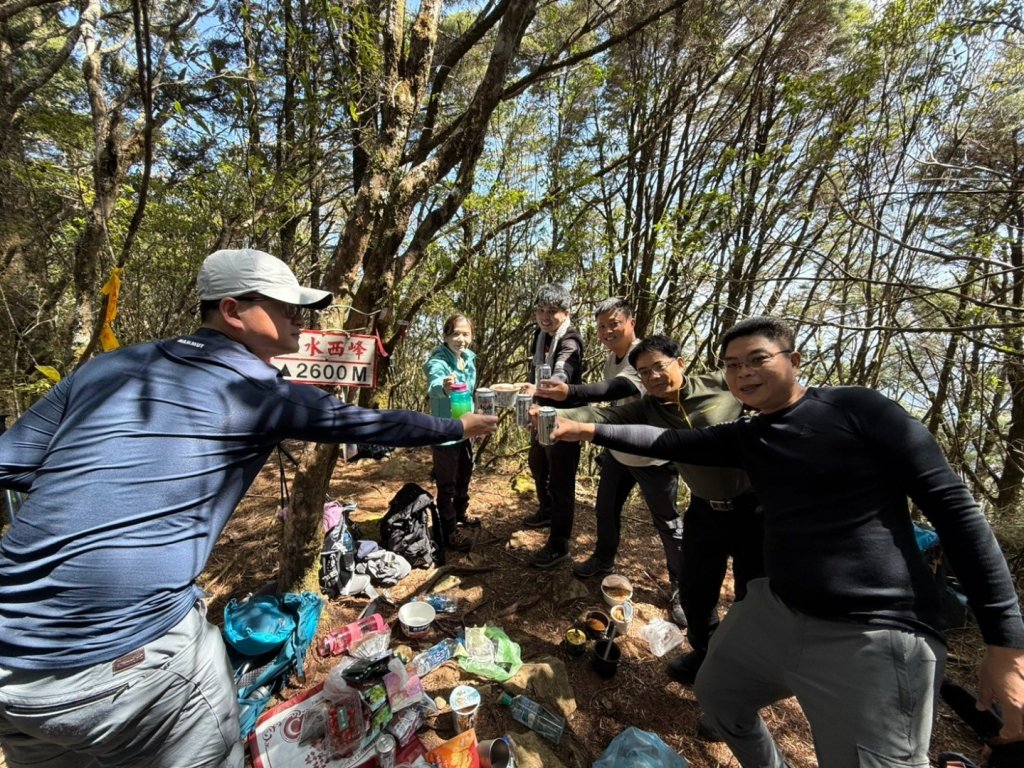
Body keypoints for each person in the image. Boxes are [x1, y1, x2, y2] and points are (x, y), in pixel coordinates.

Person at [0, 248, 498, 768]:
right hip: (135, 658)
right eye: (286, 307)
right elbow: (366, 424)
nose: (298, 319)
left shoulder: (110, 369)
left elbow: (11, 461)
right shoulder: (255, 388)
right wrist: (457, 428)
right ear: (234, 311)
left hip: (12, 663)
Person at [551, 316, 1024, 767]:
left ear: (793, 358)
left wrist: (1006, 641)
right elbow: (664, 442)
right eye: (733, 365)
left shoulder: (858, 409)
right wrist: (583, 427)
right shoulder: (750, 435)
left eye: (756, 359)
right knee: (717, 696)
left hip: (878, 628)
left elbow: (955, 509)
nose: (743, 373)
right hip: (779, 608)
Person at [550, 333, 763, 675]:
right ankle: (704, 653)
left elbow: (767, 401)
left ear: (680, 362)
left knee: (752, 598)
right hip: (705, 509)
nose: (653, 377)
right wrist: (555, 415)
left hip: (753, 509)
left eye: (658, 367)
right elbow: (602, 416)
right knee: (696, 592)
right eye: (644, 373)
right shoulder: (648, 408)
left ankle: (742, 672)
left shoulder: (723, 383)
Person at [537, 302, 686, 626]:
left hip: (653, 458)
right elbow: (613, 403)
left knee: (668, 523)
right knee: (606, 509)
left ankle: (681, 587)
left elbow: (613, 389)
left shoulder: (640, 357)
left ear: (631, 321)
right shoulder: (611, 358)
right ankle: (604, 558)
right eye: (601, 326)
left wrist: (570, 392)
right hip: (619, 454)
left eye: (613, 324)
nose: (606, 332)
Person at [523, 283, 586, 568]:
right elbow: (537, 368)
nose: (545, 317)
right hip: (543, 413)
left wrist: (546, 385)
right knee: (537, 461)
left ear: (566, 313)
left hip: (566, 420)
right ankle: (546, 510)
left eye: (552, 312)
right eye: (540, 310)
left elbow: (563, 368)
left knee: (561, 481)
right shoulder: (541, 335)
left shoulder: (570, 339)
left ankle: (559, 545)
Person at [424, 314, 480, 553]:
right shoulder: (439, 358)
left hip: (465, 428)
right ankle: (448, 531)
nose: (460, 339)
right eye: (455, 334)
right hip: (445, 431)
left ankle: (459, 513)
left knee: (464, 474)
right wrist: (443, 386)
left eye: (465, 334)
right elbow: (434, 382)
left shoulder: (468, 359)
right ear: (446, 336)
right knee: (446, 483)